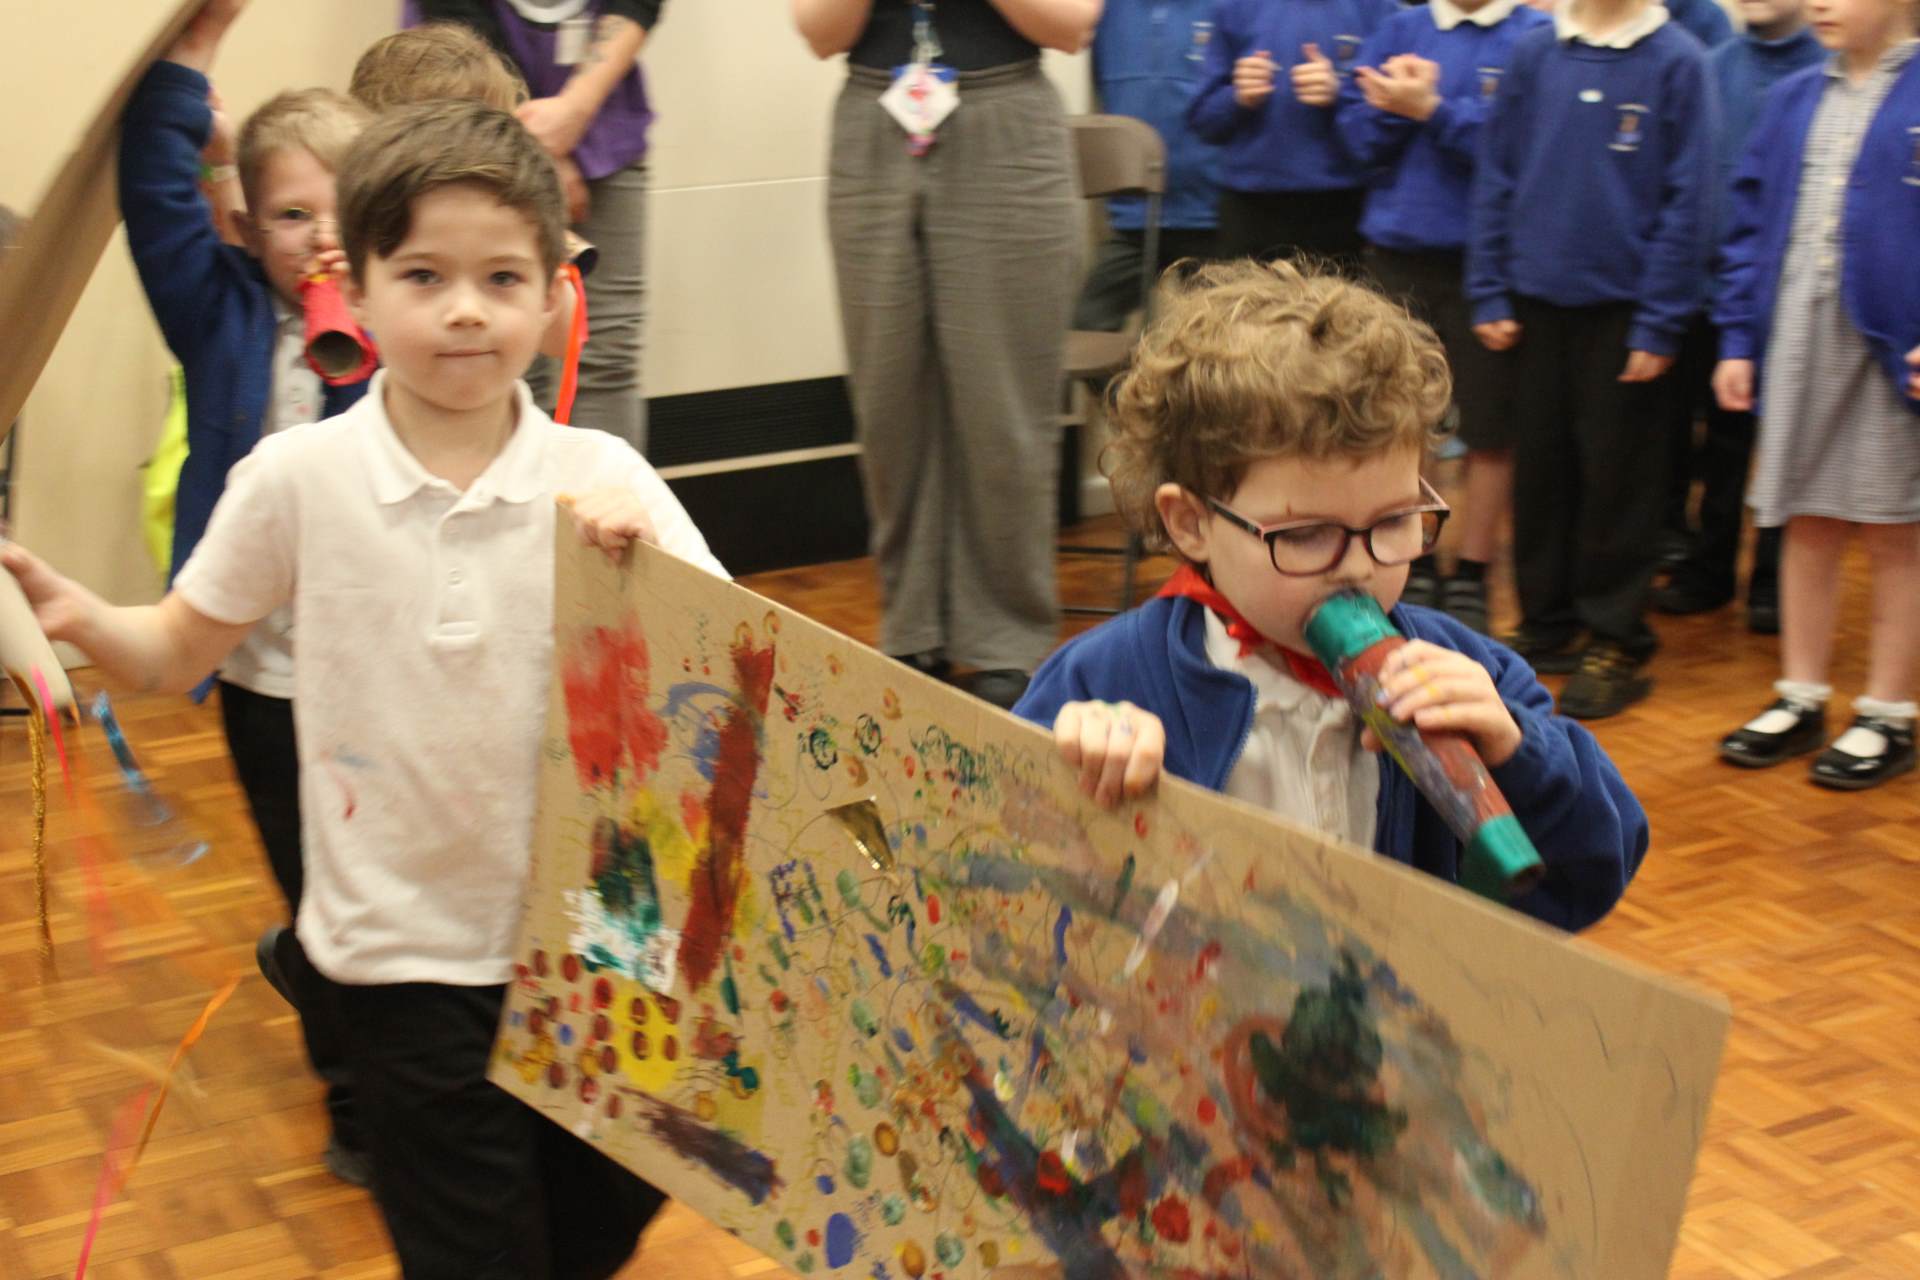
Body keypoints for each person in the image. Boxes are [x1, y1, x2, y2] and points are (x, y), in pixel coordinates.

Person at [4, 99, 727, 1276]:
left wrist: (646, 575)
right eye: (425, 274)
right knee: (478, 1252)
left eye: (502, 278)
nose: (465, 309)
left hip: (595, 951)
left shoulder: (606, 475)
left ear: (552, 295)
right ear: (358, 286)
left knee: (594, 1222)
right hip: (401, 956)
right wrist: (82, 617)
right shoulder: (297, 477)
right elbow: (179, 647)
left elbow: (733, 682)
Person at [1013, 260, 1648, 932]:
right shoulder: (1103, 680)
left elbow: (1593, 876)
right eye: (1306, 534)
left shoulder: (1468, 673)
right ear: (1191, 523)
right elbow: (1006, 881)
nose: (1358, 569)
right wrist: (1073, 778)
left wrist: (1518, 752)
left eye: (1394, 521)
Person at [119, 0, 374, 1184]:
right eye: (290, 214)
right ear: (246, 220)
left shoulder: (396, 321)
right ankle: (353, 1095)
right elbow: (152, 193)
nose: (319, 239)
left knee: (370, 886)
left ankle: (382, 1048)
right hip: (266, 678)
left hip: (378, 673)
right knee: (310, 882)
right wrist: (194, 62)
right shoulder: (219, 308)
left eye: (342, 212)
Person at [790, 0, 1098, 710]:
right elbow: (819, 33)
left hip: (1007, 121)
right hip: (874, 119)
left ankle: (1007, 641)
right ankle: (913, 627)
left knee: (1004, 414)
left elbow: (1072, 24)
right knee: (889, 406)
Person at [1466, 0, 1717, 718]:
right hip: (1533, 303)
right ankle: (1546, 622)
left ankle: (1614, 636)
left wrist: (1661, 321)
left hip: (1626, 313)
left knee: (1620, 481)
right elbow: (1496, 175)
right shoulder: (1535, 53)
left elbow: (1689, 203)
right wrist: (1489, 287)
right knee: (1541, 474)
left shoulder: (1679, 62)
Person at [1711, 0, 1920, 788]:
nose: (1822, 3)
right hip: (1800, 334)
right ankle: (1800, 695)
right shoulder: (1793, 96)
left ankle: (1888, 713)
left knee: (1896, 527)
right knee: (1806, 515)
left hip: (1893, 346)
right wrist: (1738, 340)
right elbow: (1747, 227)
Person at [1335, 0, 1551, 632]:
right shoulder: (1401, 29)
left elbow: (1523, 151)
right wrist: (1397, 109)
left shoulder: (1533, 38)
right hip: (1398, 256)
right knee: (1404, 426)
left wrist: (1432, 109)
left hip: (1491, 266)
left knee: (1490, 429)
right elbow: (1356, 141)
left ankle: (1475, 571)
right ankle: (1415, 557)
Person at [411, 1, 664, 452]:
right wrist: (533, 151)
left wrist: (576, 109)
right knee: (503, 349)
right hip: (473, 114)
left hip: (600, 115)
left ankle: (608, 495)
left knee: (606, 351)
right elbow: (456, 20)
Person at [1654, 0, 1823, 630]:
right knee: (1721, 443)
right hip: (1715, 294)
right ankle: (1709, 567)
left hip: (1797, 300)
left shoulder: (1824, 74)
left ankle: (1775, 578)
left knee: (1789, 446)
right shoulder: (1712, 67)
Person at [1186, 0, 1397, 268]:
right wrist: (1236, 97)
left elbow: (1391, 129)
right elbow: (1203, 121)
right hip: (1250, 207)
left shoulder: (1380, 9)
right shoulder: (1232, 7)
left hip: (1344, 208)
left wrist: (1339, 94)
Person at [1073, 0, 1221, 332]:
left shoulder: (1223, 8)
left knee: (1215, 338)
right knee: (1087, 325)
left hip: (1209, 218)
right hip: (1133, 220)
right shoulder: (1108, 11)